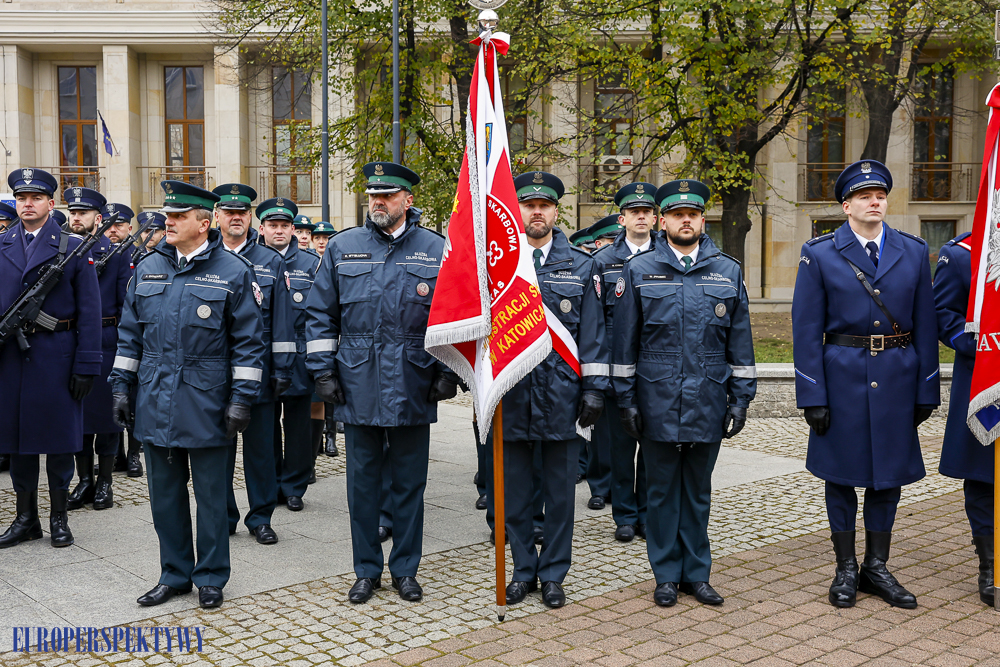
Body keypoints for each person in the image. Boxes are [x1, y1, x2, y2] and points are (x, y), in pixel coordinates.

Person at [306, 161, 459, 604]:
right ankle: (366, 570)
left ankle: (406, 569)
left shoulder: (436, 249)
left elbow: (451, 317)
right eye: (373, 194)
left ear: (407, 200)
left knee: (410, 485)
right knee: (362, 485)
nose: (377, 201)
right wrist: (322, 372)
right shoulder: (342, 247)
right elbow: (320, 315)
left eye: (388, 195)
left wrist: (447, 373)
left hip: (414, 382)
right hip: (358, 382)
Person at [110, 180, 265, 609]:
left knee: (212, 497)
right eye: (167, 215)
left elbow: (250, 344)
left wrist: (242, 398)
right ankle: (174, 574)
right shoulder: (148, 267)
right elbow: (129, 336)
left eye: (177, 217)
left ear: (203, 222)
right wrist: (121, 385)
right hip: (156, 398)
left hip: (208, 400)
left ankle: (211, 576)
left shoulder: (234, 272)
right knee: (164, 496)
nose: (168, 222)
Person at [792, 160, 939, 610]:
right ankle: (845, 569)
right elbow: (805, 328)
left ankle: (877, 567)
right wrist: (812, 394)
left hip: (896, 377)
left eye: (880, 195)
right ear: (846, 206)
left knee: (886, 477)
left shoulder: (912, 251)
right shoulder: (819, 254)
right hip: (842, 378)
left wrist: (926, 388)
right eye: (864, 196)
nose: (875, 202)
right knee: (839, 477)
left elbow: (926, 325)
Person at [613, 179, 754, 608]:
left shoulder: (727, 270)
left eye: (692, 214)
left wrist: (741, 398)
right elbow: (625, 345)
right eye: (676, 214)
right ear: (662, 220)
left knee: (697, 492)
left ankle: (698, 573)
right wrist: (627, 401)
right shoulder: (639, 271)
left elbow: (740, 343)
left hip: (708, 399)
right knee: (659, 494)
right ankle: (666, 575)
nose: (685, 220)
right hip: (656, 400)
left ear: (702, 219)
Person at [498, 170, 607, 609]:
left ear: (556, 211)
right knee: (516, 495)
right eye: (529, 205)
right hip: (514, 394)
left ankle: (554, 573)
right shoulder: (500, 265)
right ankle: (524, 570)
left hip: (564, 397)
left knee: (562, 496)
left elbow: (596, 335)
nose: (537, 212)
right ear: (518, 210)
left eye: (544, 206)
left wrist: (595, 390)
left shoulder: (583, 265)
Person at [0, 168, 101, 549]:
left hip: (57, 356)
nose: (28, 204)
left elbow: (90, 313)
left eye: (36, 198)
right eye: (22, 198)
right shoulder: (2, 243)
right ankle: (26, 518)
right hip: (11, 360)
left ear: (50, 203)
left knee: (60, 443)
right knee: (17, 441)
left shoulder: (73, 247)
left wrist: (87, 365)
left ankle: (59, 518)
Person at [214, 184, 295, 545]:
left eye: (242, 212)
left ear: (251, 218)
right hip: (214, 370)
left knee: (262, 449)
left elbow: (282, 321)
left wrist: (282, 369)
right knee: (219, 447)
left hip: (259, 370)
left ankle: (260, 516)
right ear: (216, 216)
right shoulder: (205, 257)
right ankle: (224, 515)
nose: (236, 217)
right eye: (229, 212)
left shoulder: (271, 261)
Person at [58, 187, 132, 511]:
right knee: (80, 416)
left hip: (106, 338)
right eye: (72, 213)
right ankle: (84, 480)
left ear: (97, 218)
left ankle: (105, 482)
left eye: (82, 213)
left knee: (106, 418)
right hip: (73, 341)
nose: (75, 218)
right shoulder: (63, 250)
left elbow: (127, 306)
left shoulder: (116, 253)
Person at [593, 182, 658, 543]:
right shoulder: (602, 262)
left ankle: (647, 512)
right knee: (620, 447)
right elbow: (597, 319)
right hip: (617, 367)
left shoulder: (665, 255)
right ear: (622, 218)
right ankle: (625, 515)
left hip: (653, 367)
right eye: (635, 212)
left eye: (647, 212)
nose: (642, 217)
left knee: (650, 445)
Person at [933, 232, 994, 607]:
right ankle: (990, 565)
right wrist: (988, 344)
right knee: (983, 470)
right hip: (985, 380)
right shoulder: (961, 255)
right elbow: (944, 316)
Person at [258, 198, 322, 512]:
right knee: (265, 426)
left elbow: (321, 314)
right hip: (263, 359)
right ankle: (271, 484)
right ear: (262, 228)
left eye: (285, 226)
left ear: (293, 229)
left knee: (298, 426)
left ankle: (295, 485)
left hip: (299, 360)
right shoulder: (251, 261)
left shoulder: (312, 264)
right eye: (274, 225)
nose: (280, 231)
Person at [311, 220, 340, 458]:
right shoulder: (308, 263)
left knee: (332, 391)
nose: (322, 241)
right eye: (318, 238)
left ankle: (331, 435)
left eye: (326, 238)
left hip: (338, 337)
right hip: (317, 338)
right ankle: (319, 438)